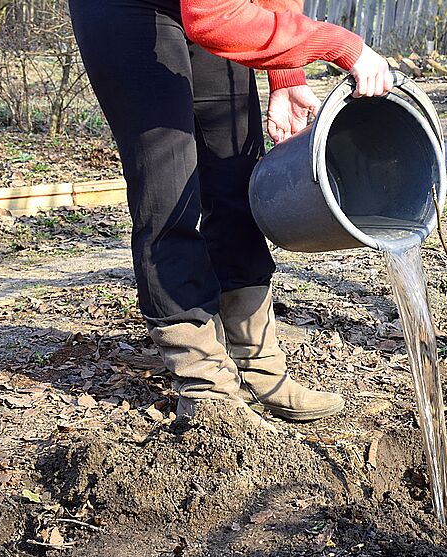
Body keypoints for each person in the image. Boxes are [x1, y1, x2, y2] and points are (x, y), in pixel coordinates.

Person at [67, 0, 393, 426]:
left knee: (236, 175)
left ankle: (259, 365)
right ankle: (203, 382)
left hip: (215, 7)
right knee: (169, 190)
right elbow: (212, 17)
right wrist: (340, 45)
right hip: (128, 10)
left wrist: (286, 74)